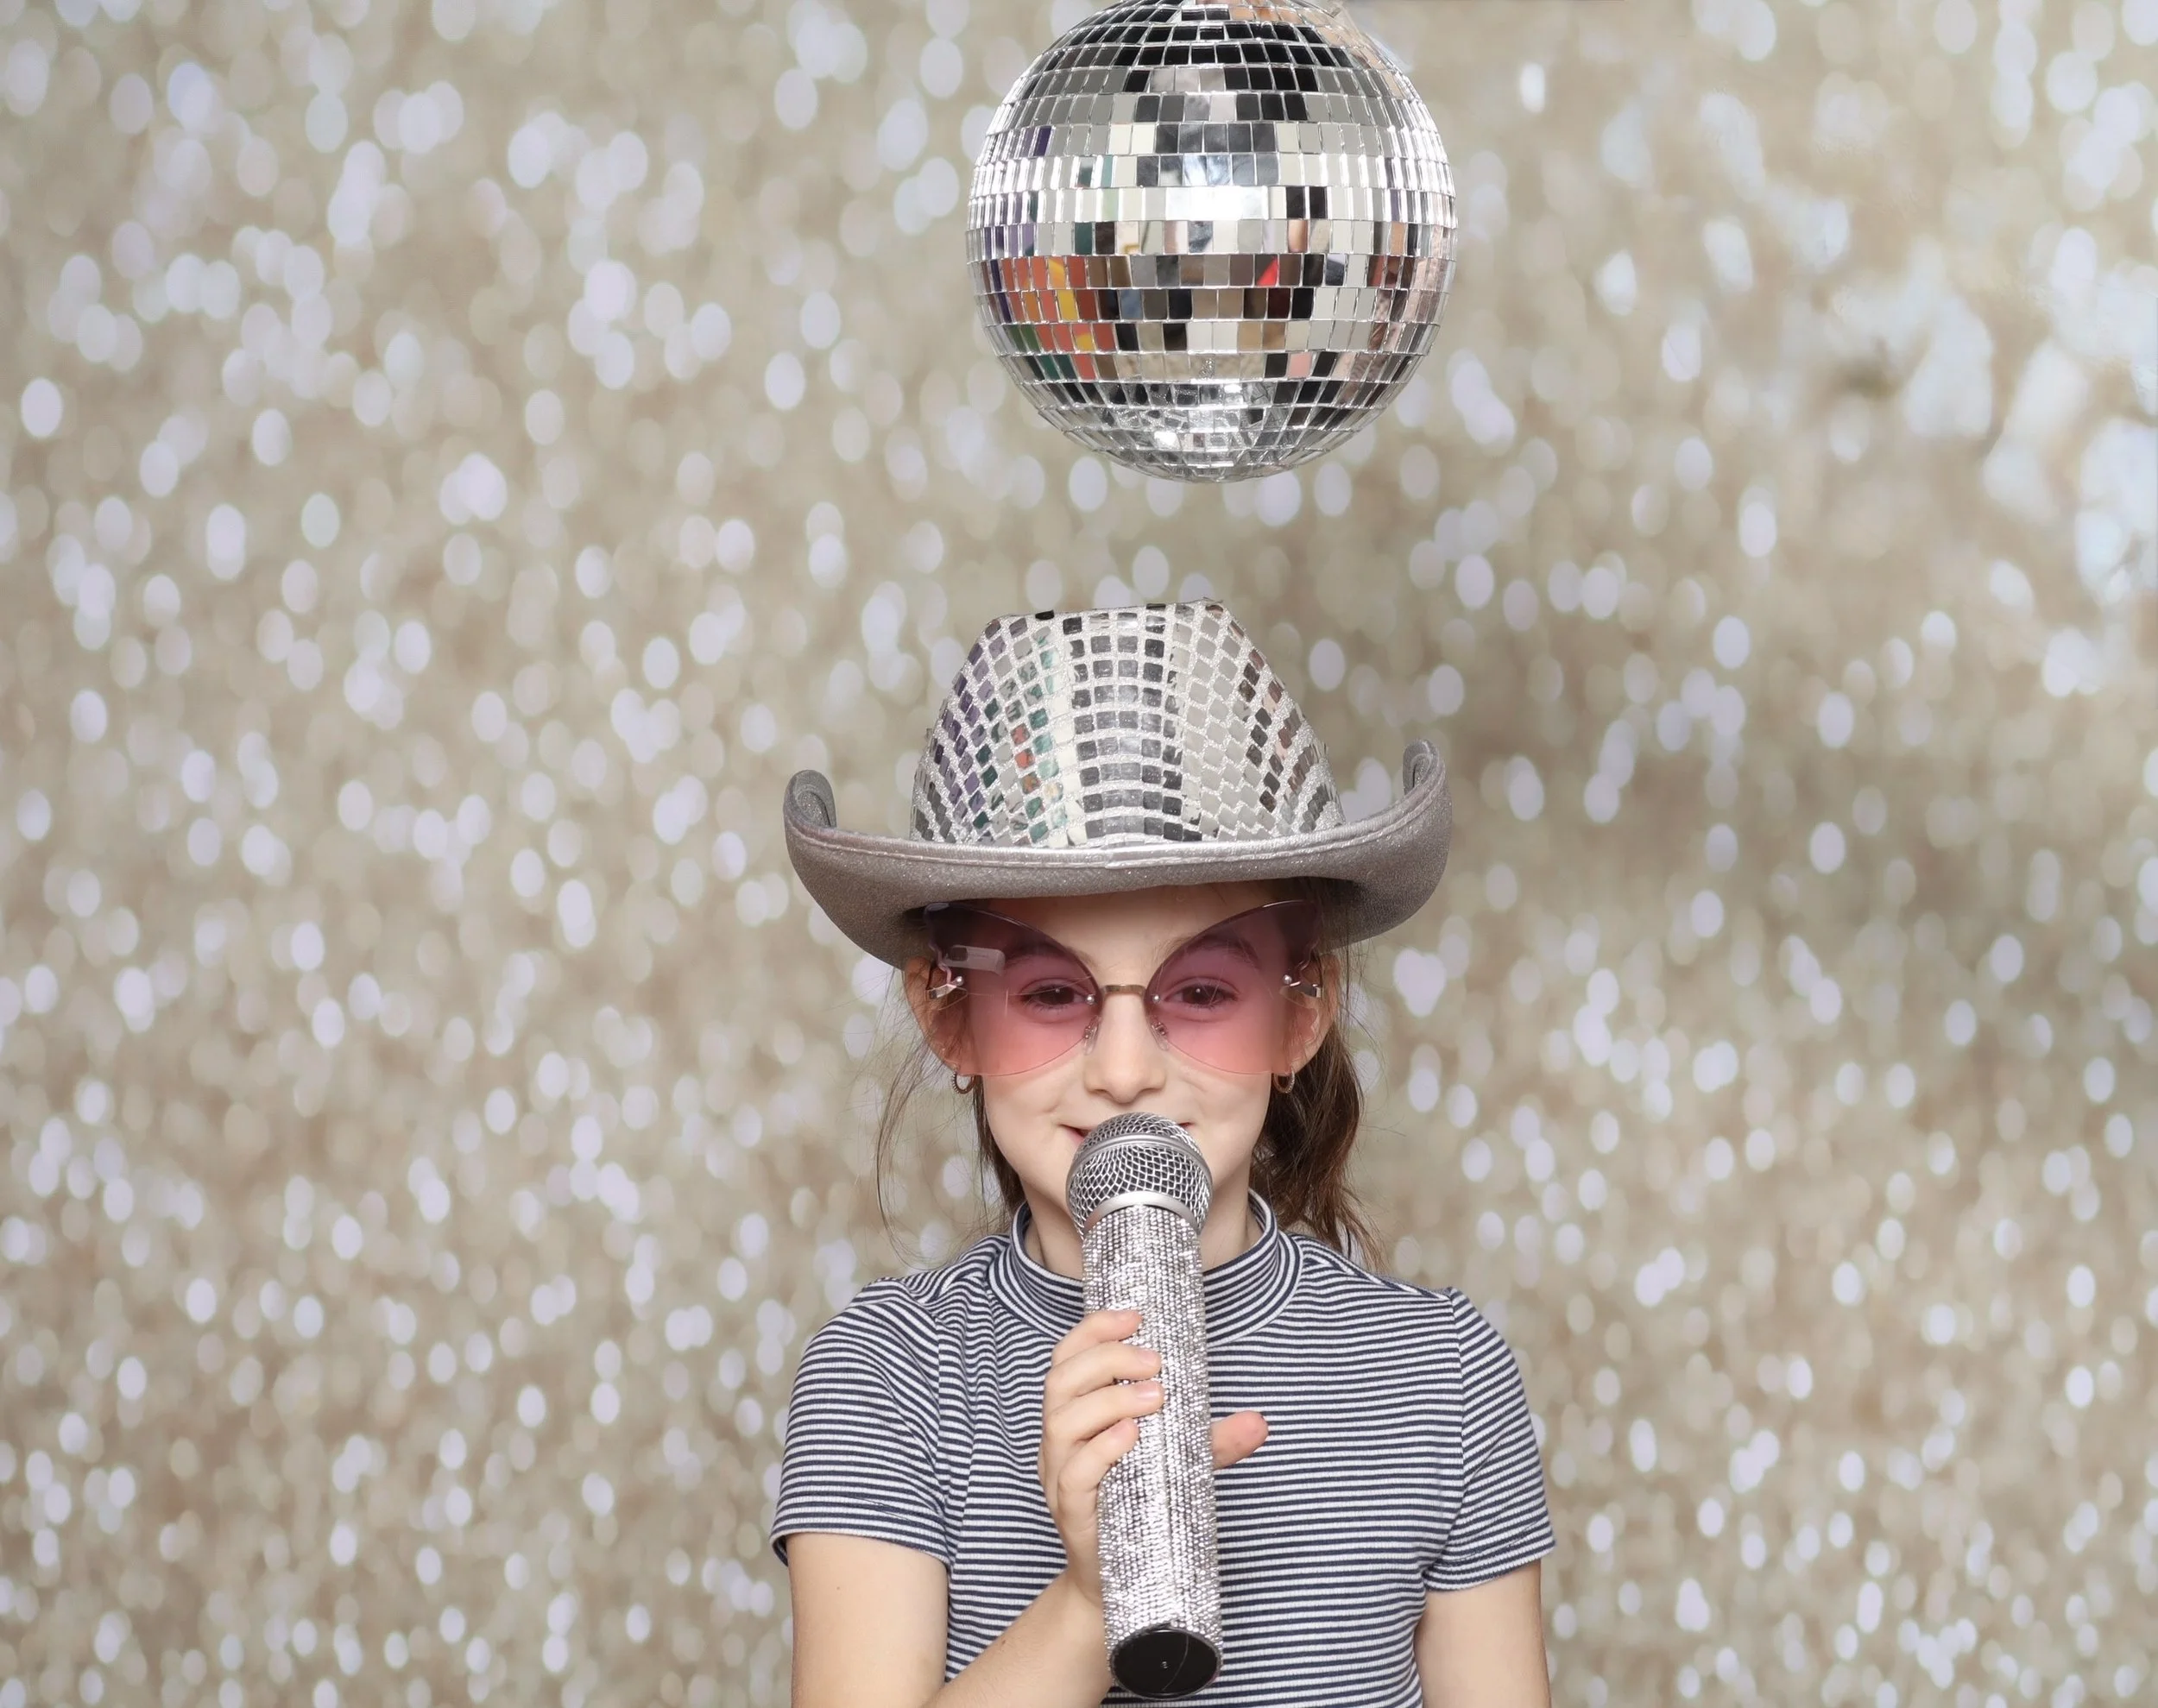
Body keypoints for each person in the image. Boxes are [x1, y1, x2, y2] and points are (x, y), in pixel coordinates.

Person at [770, 602, 1555, 1705]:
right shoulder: (890, 1376)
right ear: (948, 1017)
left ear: (1301, 1009)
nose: (1127, 1068)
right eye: (1051, 992)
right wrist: (1088, 1599)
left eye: (1202, 990)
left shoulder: (1440, 1376)